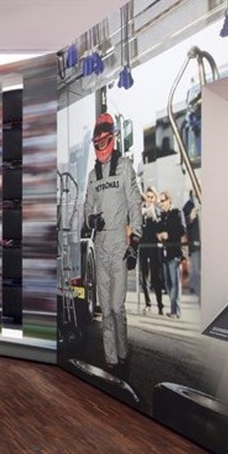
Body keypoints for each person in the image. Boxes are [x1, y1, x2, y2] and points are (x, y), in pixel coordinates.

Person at [83, 112, 142, 372]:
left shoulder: (125, 166)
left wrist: (135, 241)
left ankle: (123, 352)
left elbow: (135, 204)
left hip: (119, 242)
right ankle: (111, 361)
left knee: (117, 306)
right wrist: (91, 220)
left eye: (104, 140)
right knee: (105, 309)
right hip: (100, 244)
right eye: (97, 142)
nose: (101, 145)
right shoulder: (93, 175)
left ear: (113, 138)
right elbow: (87, 208)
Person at [157, 191, 186, 318]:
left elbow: (182, 229)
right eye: (160, 201)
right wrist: (159, 234)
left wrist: (168, 234)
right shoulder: (162, 215)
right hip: (165, 254)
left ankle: (176, 311)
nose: (161, 203)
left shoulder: (176, 212)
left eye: (163, 201)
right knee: (168, 283)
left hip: (175, 253)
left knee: (175, 284)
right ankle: (173, 309)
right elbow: (158, 229)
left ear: (169, 201)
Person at [139, 186, 164, 315]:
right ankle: (147, 303)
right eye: (147, 197)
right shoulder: (141, 210)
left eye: (151, 197)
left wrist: (154, 215)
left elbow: (161, 227)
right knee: (144, 277)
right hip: (143, 246)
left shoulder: (158, 211)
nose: (149, 199)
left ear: (155, 198)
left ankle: (160, 305)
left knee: (156, 277)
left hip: (154, 247)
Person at [182, 190, 201, 298]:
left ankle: (194, 287)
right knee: (195, 268)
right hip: (195, 243)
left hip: (203, 242)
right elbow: (185, 223)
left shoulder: (203, 202)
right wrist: (191, 217)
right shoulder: (188, 206)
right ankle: (195, 289)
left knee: (197, 268)